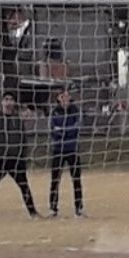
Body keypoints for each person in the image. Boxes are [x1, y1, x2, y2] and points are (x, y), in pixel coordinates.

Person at [0, 92, 39, 219]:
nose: (9, 102)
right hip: (0, 159)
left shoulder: (17, 119)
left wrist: (23, 154)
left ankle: (33, 212)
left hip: (16, 159)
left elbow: (23, 137)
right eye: (6, 99)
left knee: (24, 185)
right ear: (2, 102)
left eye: (11, 99)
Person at [49, 89, 84, 217]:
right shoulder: (55, 112)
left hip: (72, 149)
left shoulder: (75, 110)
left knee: (76, 179)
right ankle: (53, 208)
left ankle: (79, 207)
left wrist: (63, 130)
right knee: (55, 180)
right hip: (58, 149)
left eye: (67, 96)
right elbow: (53, 130)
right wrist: (62, 132)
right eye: (62, 96)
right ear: (58, 98)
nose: (65, 98)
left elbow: (76, 127)